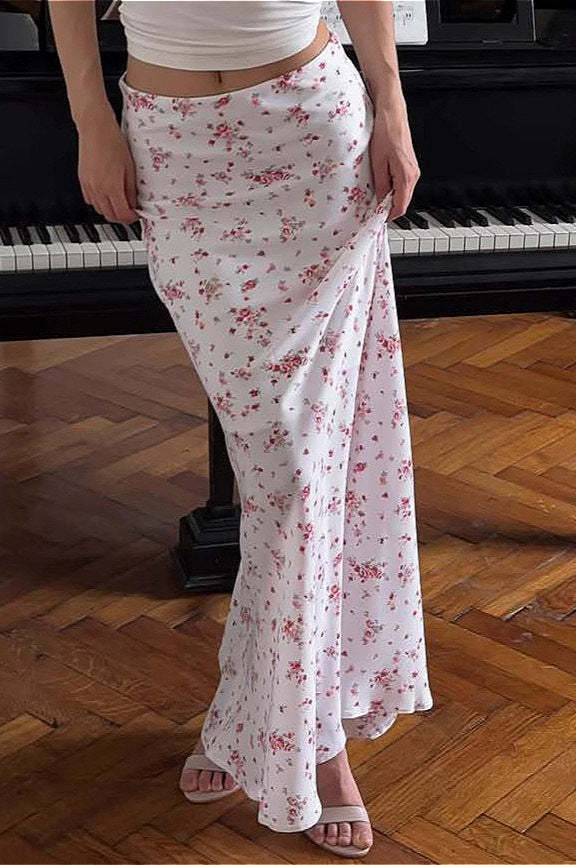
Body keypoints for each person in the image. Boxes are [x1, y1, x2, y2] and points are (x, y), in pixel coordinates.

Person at [48, 0, 434, 857]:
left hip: (311, 137)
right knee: (282, 477)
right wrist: (91, 122)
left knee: (298, 477)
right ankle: (251, 713)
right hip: (178, 154)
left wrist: (392, 106)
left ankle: (315, 744)